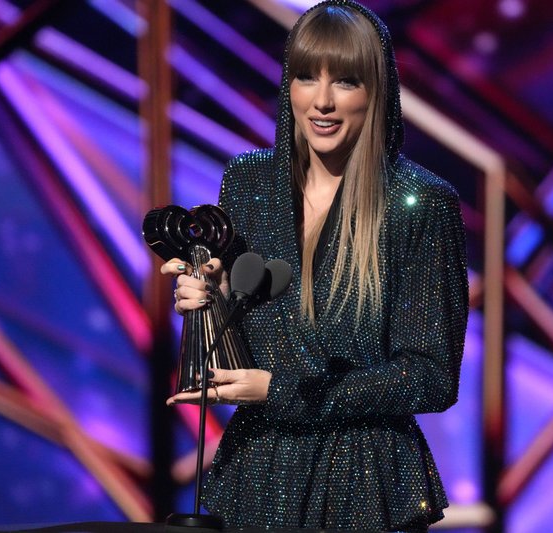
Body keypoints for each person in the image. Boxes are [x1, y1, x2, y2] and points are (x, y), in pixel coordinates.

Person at [162, 1, 468, 531]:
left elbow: (431, 378)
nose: (321, 101)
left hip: (365, 487)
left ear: (377, 92)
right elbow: (246, 327)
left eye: (345, 82)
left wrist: (284, 391)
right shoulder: (249, 183)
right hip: (256, 475)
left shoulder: (421, 203)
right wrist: (206, 298)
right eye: (306, 77)